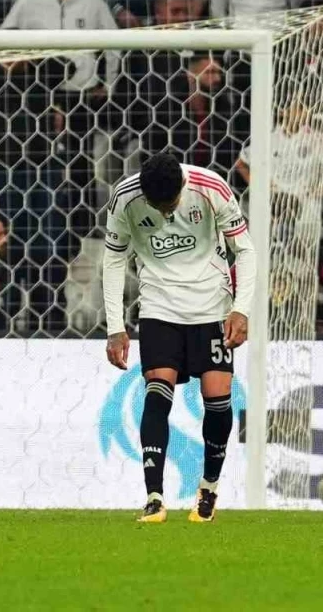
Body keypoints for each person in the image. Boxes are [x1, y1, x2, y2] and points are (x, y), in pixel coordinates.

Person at [102, 153, 255, 523]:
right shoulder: (125, 198)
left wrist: (241, 309)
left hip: (212, 306)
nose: (164, 212)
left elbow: (245, 250)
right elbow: (114, 259)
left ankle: (209, 487)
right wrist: (115, 327)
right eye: (156, 206)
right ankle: (154, 498)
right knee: (157, 392)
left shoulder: (211, 187)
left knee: (217, 399)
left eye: (169, 205)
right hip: (159, 306)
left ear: (182, 186)